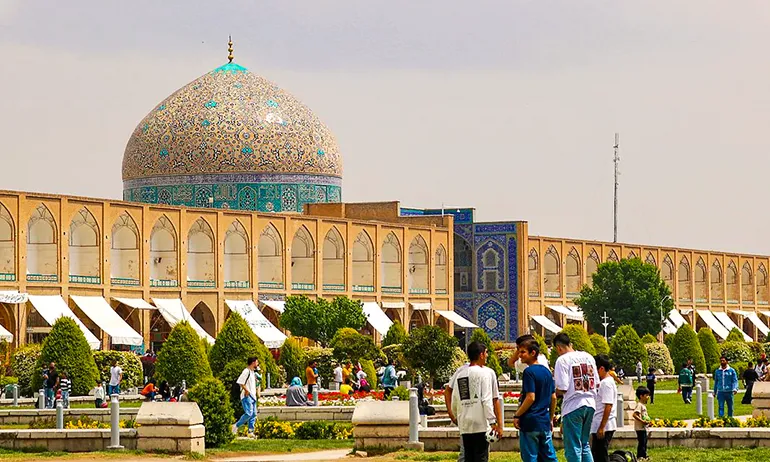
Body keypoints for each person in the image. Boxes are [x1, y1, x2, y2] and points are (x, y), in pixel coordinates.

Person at [450, 341, 503, 462]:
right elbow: (486, 399)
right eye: (486, 353)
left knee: (469, 457)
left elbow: (455, 397)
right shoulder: (484, 373)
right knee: (481, 457)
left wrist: (455, 416)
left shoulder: (460, 374)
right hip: (480, 424)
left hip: (465, 423)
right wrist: (493, 421)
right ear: (481, 355)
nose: (487, 356)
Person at [552, 332, 598, 462]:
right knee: (584, 444)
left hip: (573, 406)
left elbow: (562, 387)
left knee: (573, 447)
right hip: (590, 404)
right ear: (570, 344)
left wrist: (552, 392)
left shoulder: (562, 360)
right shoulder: (588, 356)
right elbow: (597, 383)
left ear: (558, 348)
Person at [512, 339, 558, 462]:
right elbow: (553, 397)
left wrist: (517, 415)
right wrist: (550, 418)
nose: (520, 355)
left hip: (530, 422)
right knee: (549, 457)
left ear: (533, 353)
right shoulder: (547, 372)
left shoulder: (529, 372)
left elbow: (530, 397)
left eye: (523, 352)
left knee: (530, 457)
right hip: (543, 422)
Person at [590, 355, 617, 462]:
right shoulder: (604, 382)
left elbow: (608, 405)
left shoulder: (606, 384)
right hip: (599, 424)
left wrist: (602, 427)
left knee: (601, 455)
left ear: (601, 368)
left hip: (604, 425)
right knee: (597, 453)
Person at [445, 359, 470, 462]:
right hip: (466, 417)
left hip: (479, 420)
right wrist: (451, 414)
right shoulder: (462, 371)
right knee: (465, 453)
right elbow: (448, 390)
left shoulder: (486, 372)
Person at [232, 356, 259, 437]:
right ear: (253, 362)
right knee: (248, 413)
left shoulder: (252, 372)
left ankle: (251, 431)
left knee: (253, 414)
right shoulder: (246, 371)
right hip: (247, 396)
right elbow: (240, 382)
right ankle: (236, 426)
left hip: (253, 396)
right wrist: (246, 390)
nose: (257, 364)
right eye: (257, 362)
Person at [632, 387, 652, 461]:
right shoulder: (639, 405)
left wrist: (648, 422)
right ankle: (640, 456)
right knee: (642, 442)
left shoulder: (643, 405)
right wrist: (642, 421)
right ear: (641, 396)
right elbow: (634, 415)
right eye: (646, 395)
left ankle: (644, 455)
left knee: (644, 442)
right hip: (640, 428)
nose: (648, 397)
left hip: (643, 427)